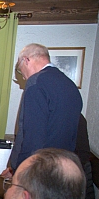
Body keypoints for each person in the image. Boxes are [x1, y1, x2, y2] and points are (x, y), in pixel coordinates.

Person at [6, 43, 83, 173]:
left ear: (26, 60)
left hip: (39, 169)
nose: (23, 77)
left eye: (20, 71)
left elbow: (32, 135)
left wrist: (18, 169)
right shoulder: (70, 85)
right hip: (62, 167)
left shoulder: (36, 83)